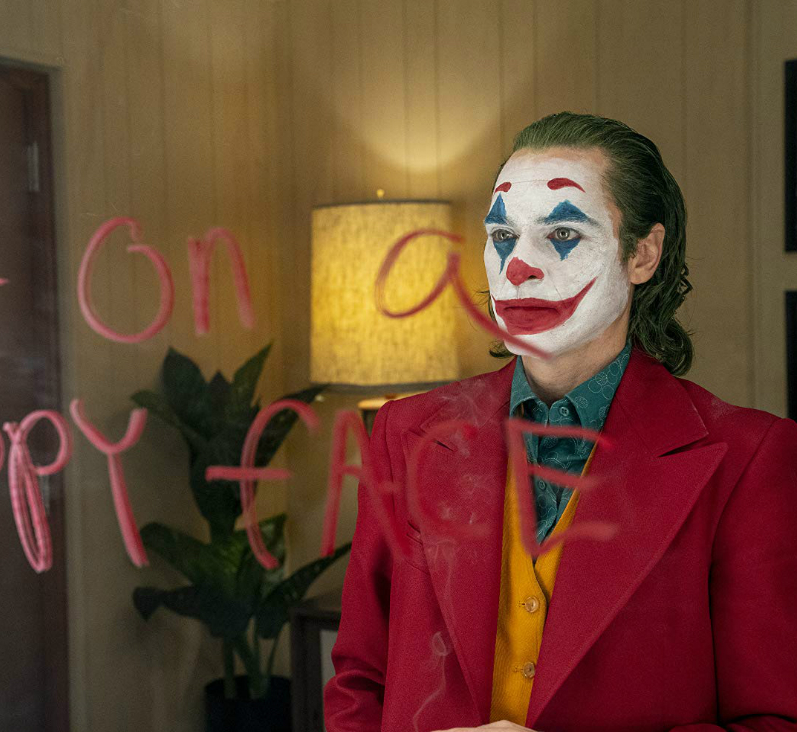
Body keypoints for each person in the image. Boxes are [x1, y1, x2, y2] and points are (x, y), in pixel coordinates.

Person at [323, 112, 797, 732]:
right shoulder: (403, 433)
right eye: (502, 236)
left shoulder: (752, 457)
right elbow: (360, 682)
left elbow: (772, 721)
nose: (518, 266)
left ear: (643, 254)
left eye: (564, 233)